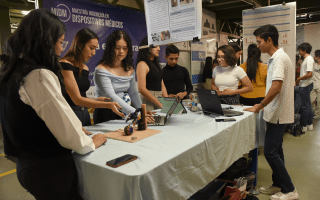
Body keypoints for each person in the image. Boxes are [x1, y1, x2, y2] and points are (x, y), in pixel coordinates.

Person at [0, 9, 107, 200]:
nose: (60, 49)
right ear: (45, 41)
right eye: (59, 42)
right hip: (48, 168)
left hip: (27, 164)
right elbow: (66, 131)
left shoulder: (13, 71)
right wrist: (91, 142)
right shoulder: (39, 75)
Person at [244, 24, 298, 200]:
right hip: (275, 112)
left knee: (270, 152)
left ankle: (290, 190)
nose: (258, 45)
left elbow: (276, 88)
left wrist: (259, 105)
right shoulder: (275, 59)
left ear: (269, 40)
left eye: (259, 41)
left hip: (278, 113)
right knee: (277, 150)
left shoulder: (280, 58)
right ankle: (278, 184)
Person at [59, 28, 124, 128]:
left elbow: (81, 96)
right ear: (80, 45)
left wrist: (96, 100)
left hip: (85, 114)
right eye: (91, 48)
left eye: (95, 49)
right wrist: (108, 105)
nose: (93, 53)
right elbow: (76, 99)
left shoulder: (85, 68)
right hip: (70, 115)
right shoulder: (64, 65)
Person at [93, 30, 153, 124]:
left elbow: (133, 94)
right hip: (106, 113)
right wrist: (136, 113)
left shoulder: (129, 69)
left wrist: (141, 111)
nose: (121, 51)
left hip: (125, 112)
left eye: (125, 48)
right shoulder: (101, 70)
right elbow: (111, 96)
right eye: (117, 48)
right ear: (110, 48)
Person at [136, 37, 168, 110]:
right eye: (156, 46)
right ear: (148, 47)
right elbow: (141, 89)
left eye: (159, 46)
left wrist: (168, 102)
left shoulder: (156, 64)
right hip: (148, 102)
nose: (159, 49)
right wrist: (159, 103)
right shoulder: (142, 64)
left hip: (159, 101)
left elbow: (162, 84)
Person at [297, 42, 314, 132]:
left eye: (300, 50)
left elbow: (309, 74)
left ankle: (304, 125)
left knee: (305, 106)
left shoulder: (309, 59)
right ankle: (309, 124)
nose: (299, 52)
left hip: (305, 85)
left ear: (305, 50)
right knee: (308, 105)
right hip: (305, 84)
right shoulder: (306, 59)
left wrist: (299, 78)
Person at [311, 50, 320, 119]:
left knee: (319, 102)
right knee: (311, 100)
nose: (313, 56)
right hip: (313, 84)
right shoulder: (314, 64)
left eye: (315, 55)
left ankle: (317, 115)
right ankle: (312, 113)